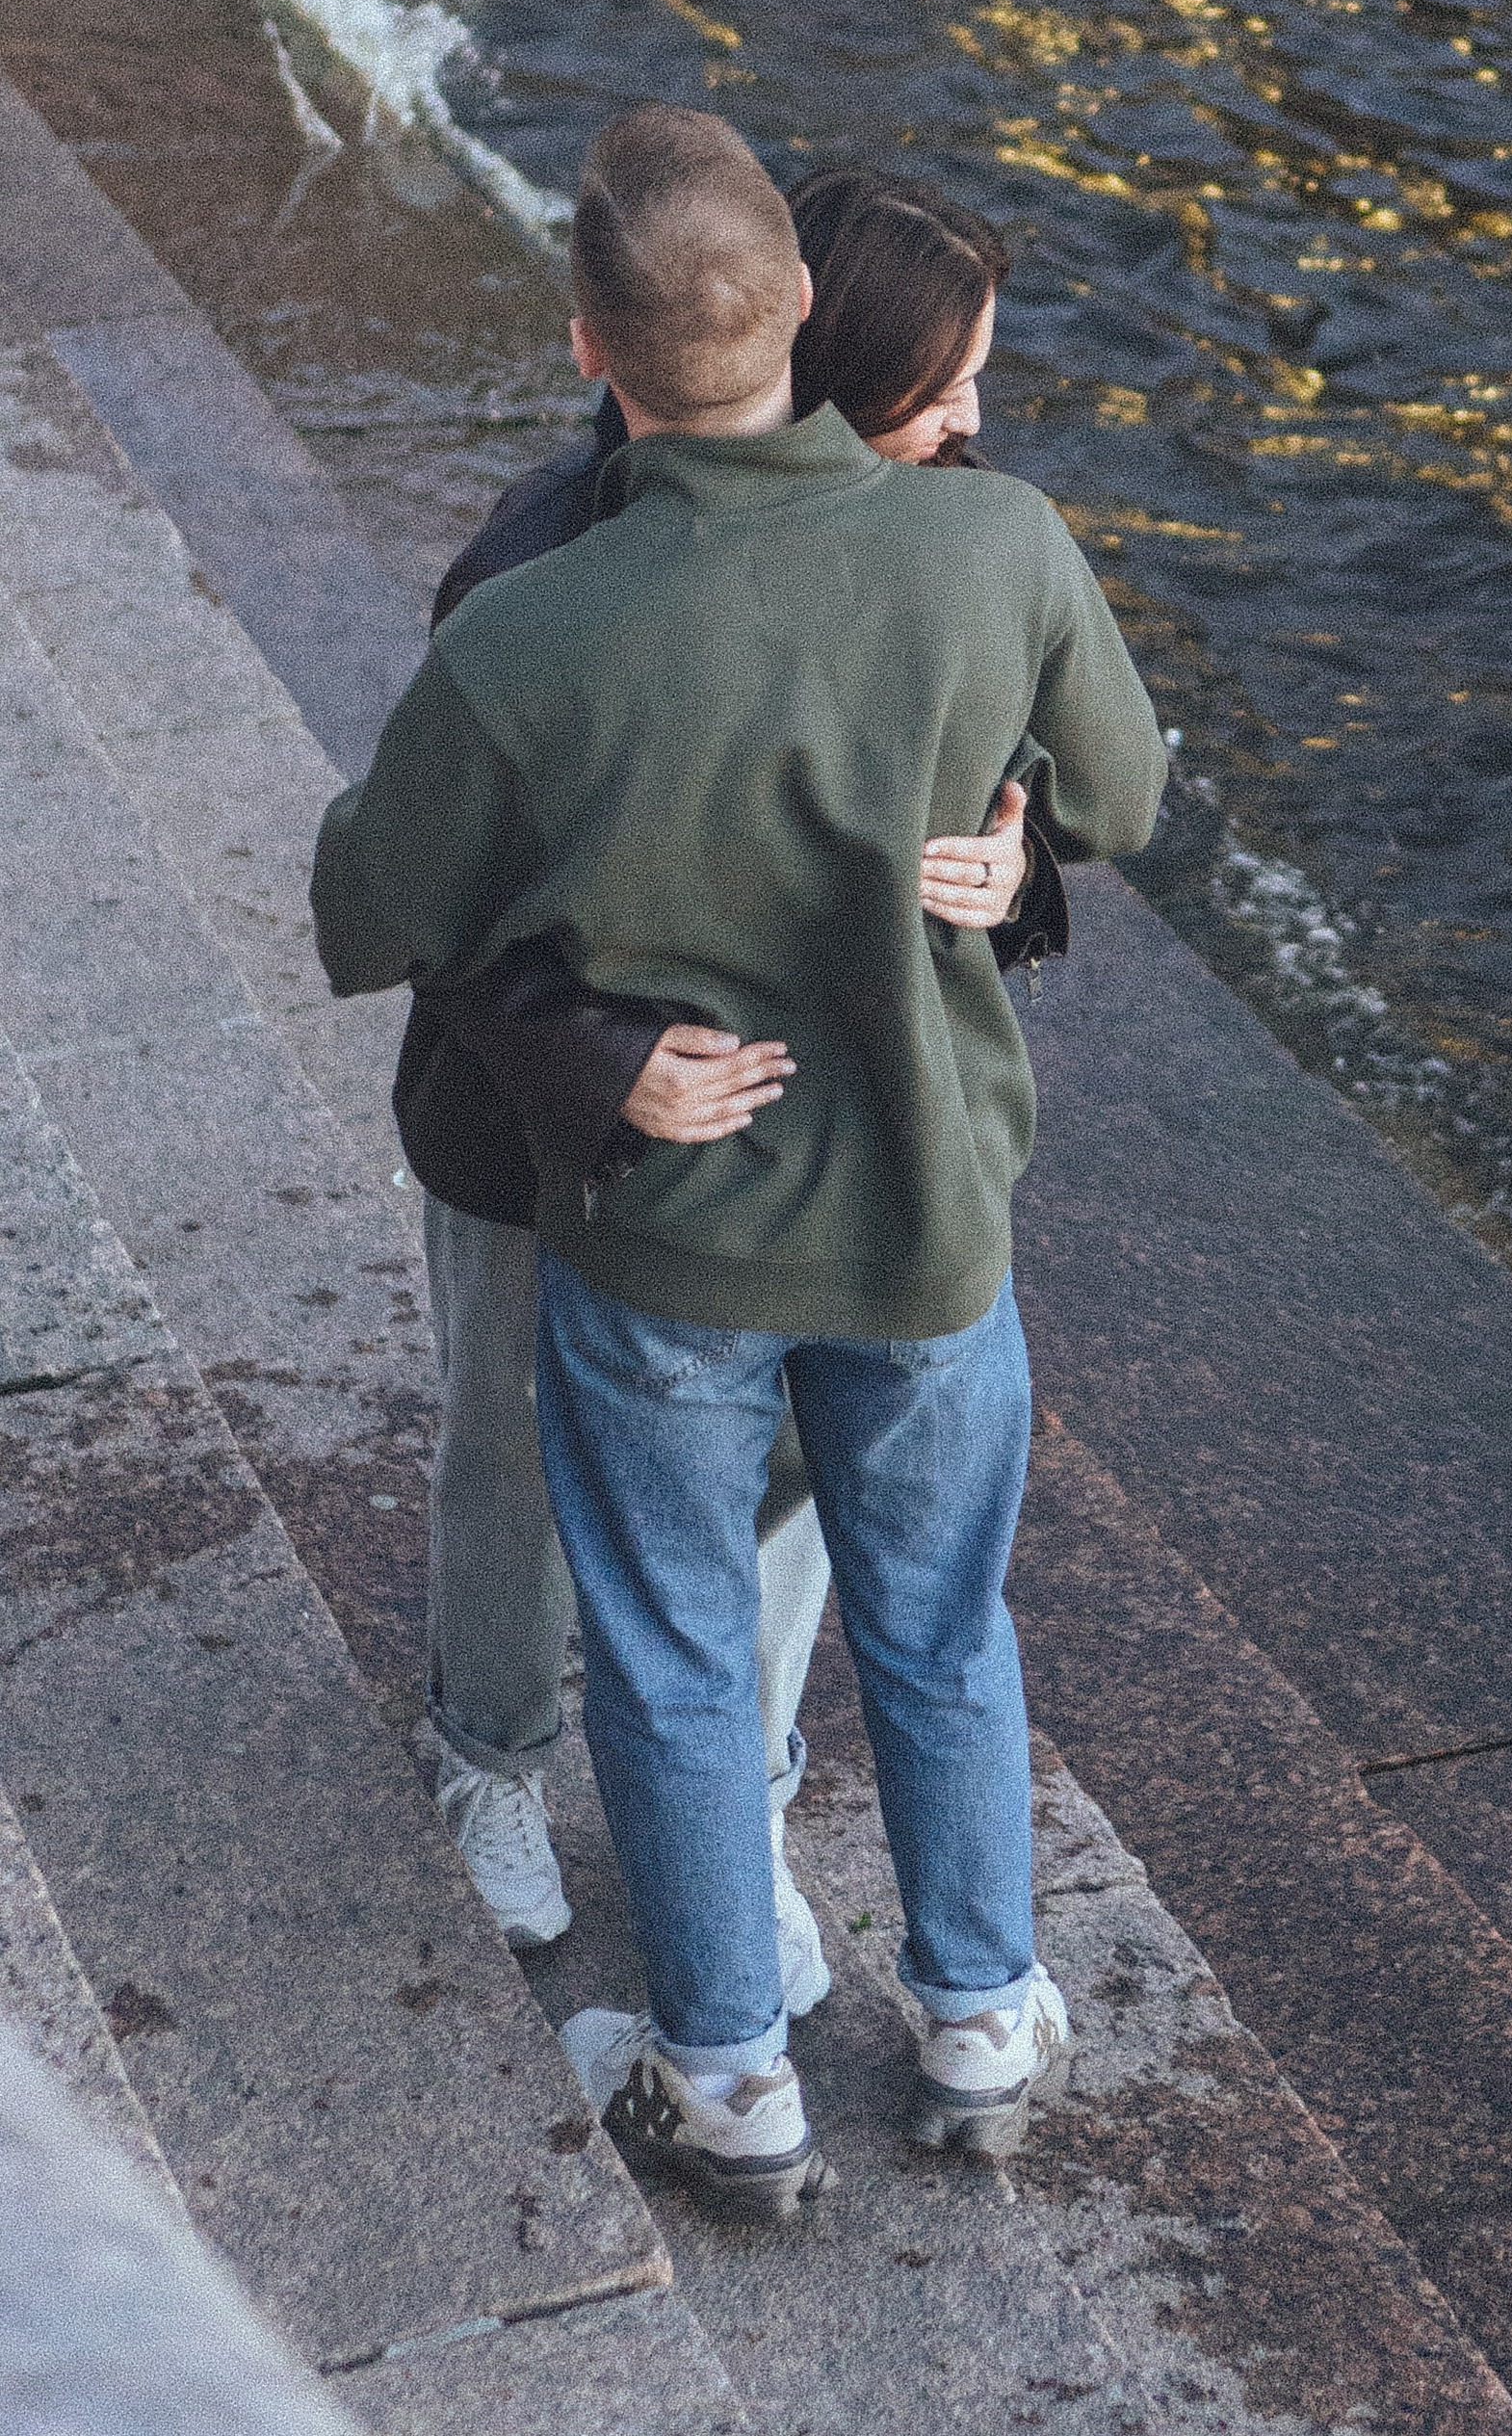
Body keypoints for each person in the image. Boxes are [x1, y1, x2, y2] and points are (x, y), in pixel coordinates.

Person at [314, 108, 1165, 2219]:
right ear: (800, 317)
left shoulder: (538, 629)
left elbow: (365, 908)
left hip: (674, 1241)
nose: (974, 417)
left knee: (676, 1646)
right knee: (941, 1628)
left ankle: (723, 2084)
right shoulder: (1002, 548)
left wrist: (1002, 865)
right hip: (921, 1227)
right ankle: (981, 2018)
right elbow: (1126, 788)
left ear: (589, 344)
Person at [399, 169, 1059, 2002]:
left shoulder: (952, 534)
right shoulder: (540, 566)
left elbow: (1039, 774)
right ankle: (490, 1751)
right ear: (809, 355)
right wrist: (606, 1064)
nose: (973, 423)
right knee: (506, 1442)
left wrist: (1020, 867)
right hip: (537, 1133)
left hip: (809, 1130)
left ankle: (736, 1804)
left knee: (776, 1486)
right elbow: (427, 903)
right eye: (941, 387)